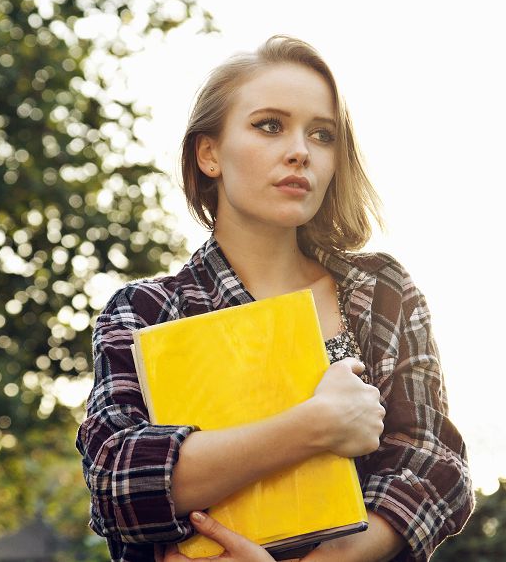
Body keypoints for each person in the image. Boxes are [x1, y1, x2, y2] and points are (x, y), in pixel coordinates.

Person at [76, 36, 474, 562]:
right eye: (269, 125)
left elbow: (435, 463)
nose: (299, 151)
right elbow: (117, 485)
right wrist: (314, 425)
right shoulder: (144, 312)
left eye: (323, 134)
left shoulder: (380, 291)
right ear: (209, 153)